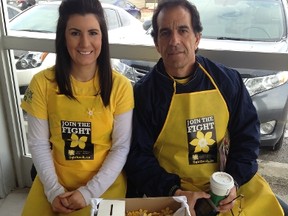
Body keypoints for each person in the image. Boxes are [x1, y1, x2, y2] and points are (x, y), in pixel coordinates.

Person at [124, 0, 286, 215]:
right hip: (172, 193)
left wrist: (234, 182)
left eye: (183, 30)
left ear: (197, 38)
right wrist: (174, 190)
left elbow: (246, 138)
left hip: (225, 186)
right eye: (165, 33)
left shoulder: (227, 81)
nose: (174, 40)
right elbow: (137, 156)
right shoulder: (144, 94)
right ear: (156, 43)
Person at [21, 0, 134, 215]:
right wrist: (54, 191)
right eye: (75, 33)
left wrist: (88, 192)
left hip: (104, 183)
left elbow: (120, 148)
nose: (85, 43)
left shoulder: (120, 86)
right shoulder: (42, 83)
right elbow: (37, 143)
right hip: (53, 180)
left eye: (93, 33)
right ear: (63, 37)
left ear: (102, 37)